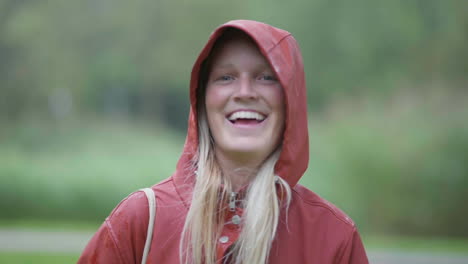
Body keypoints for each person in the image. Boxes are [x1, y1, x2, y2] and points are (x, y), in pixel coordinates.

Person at [78, 20, 369, 264]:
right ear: (202, 100)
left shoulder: (333, 237)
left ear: (291, 99)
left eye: (266, 77)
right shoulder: (140, 220)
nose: (244, 91)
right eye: (226, 77)